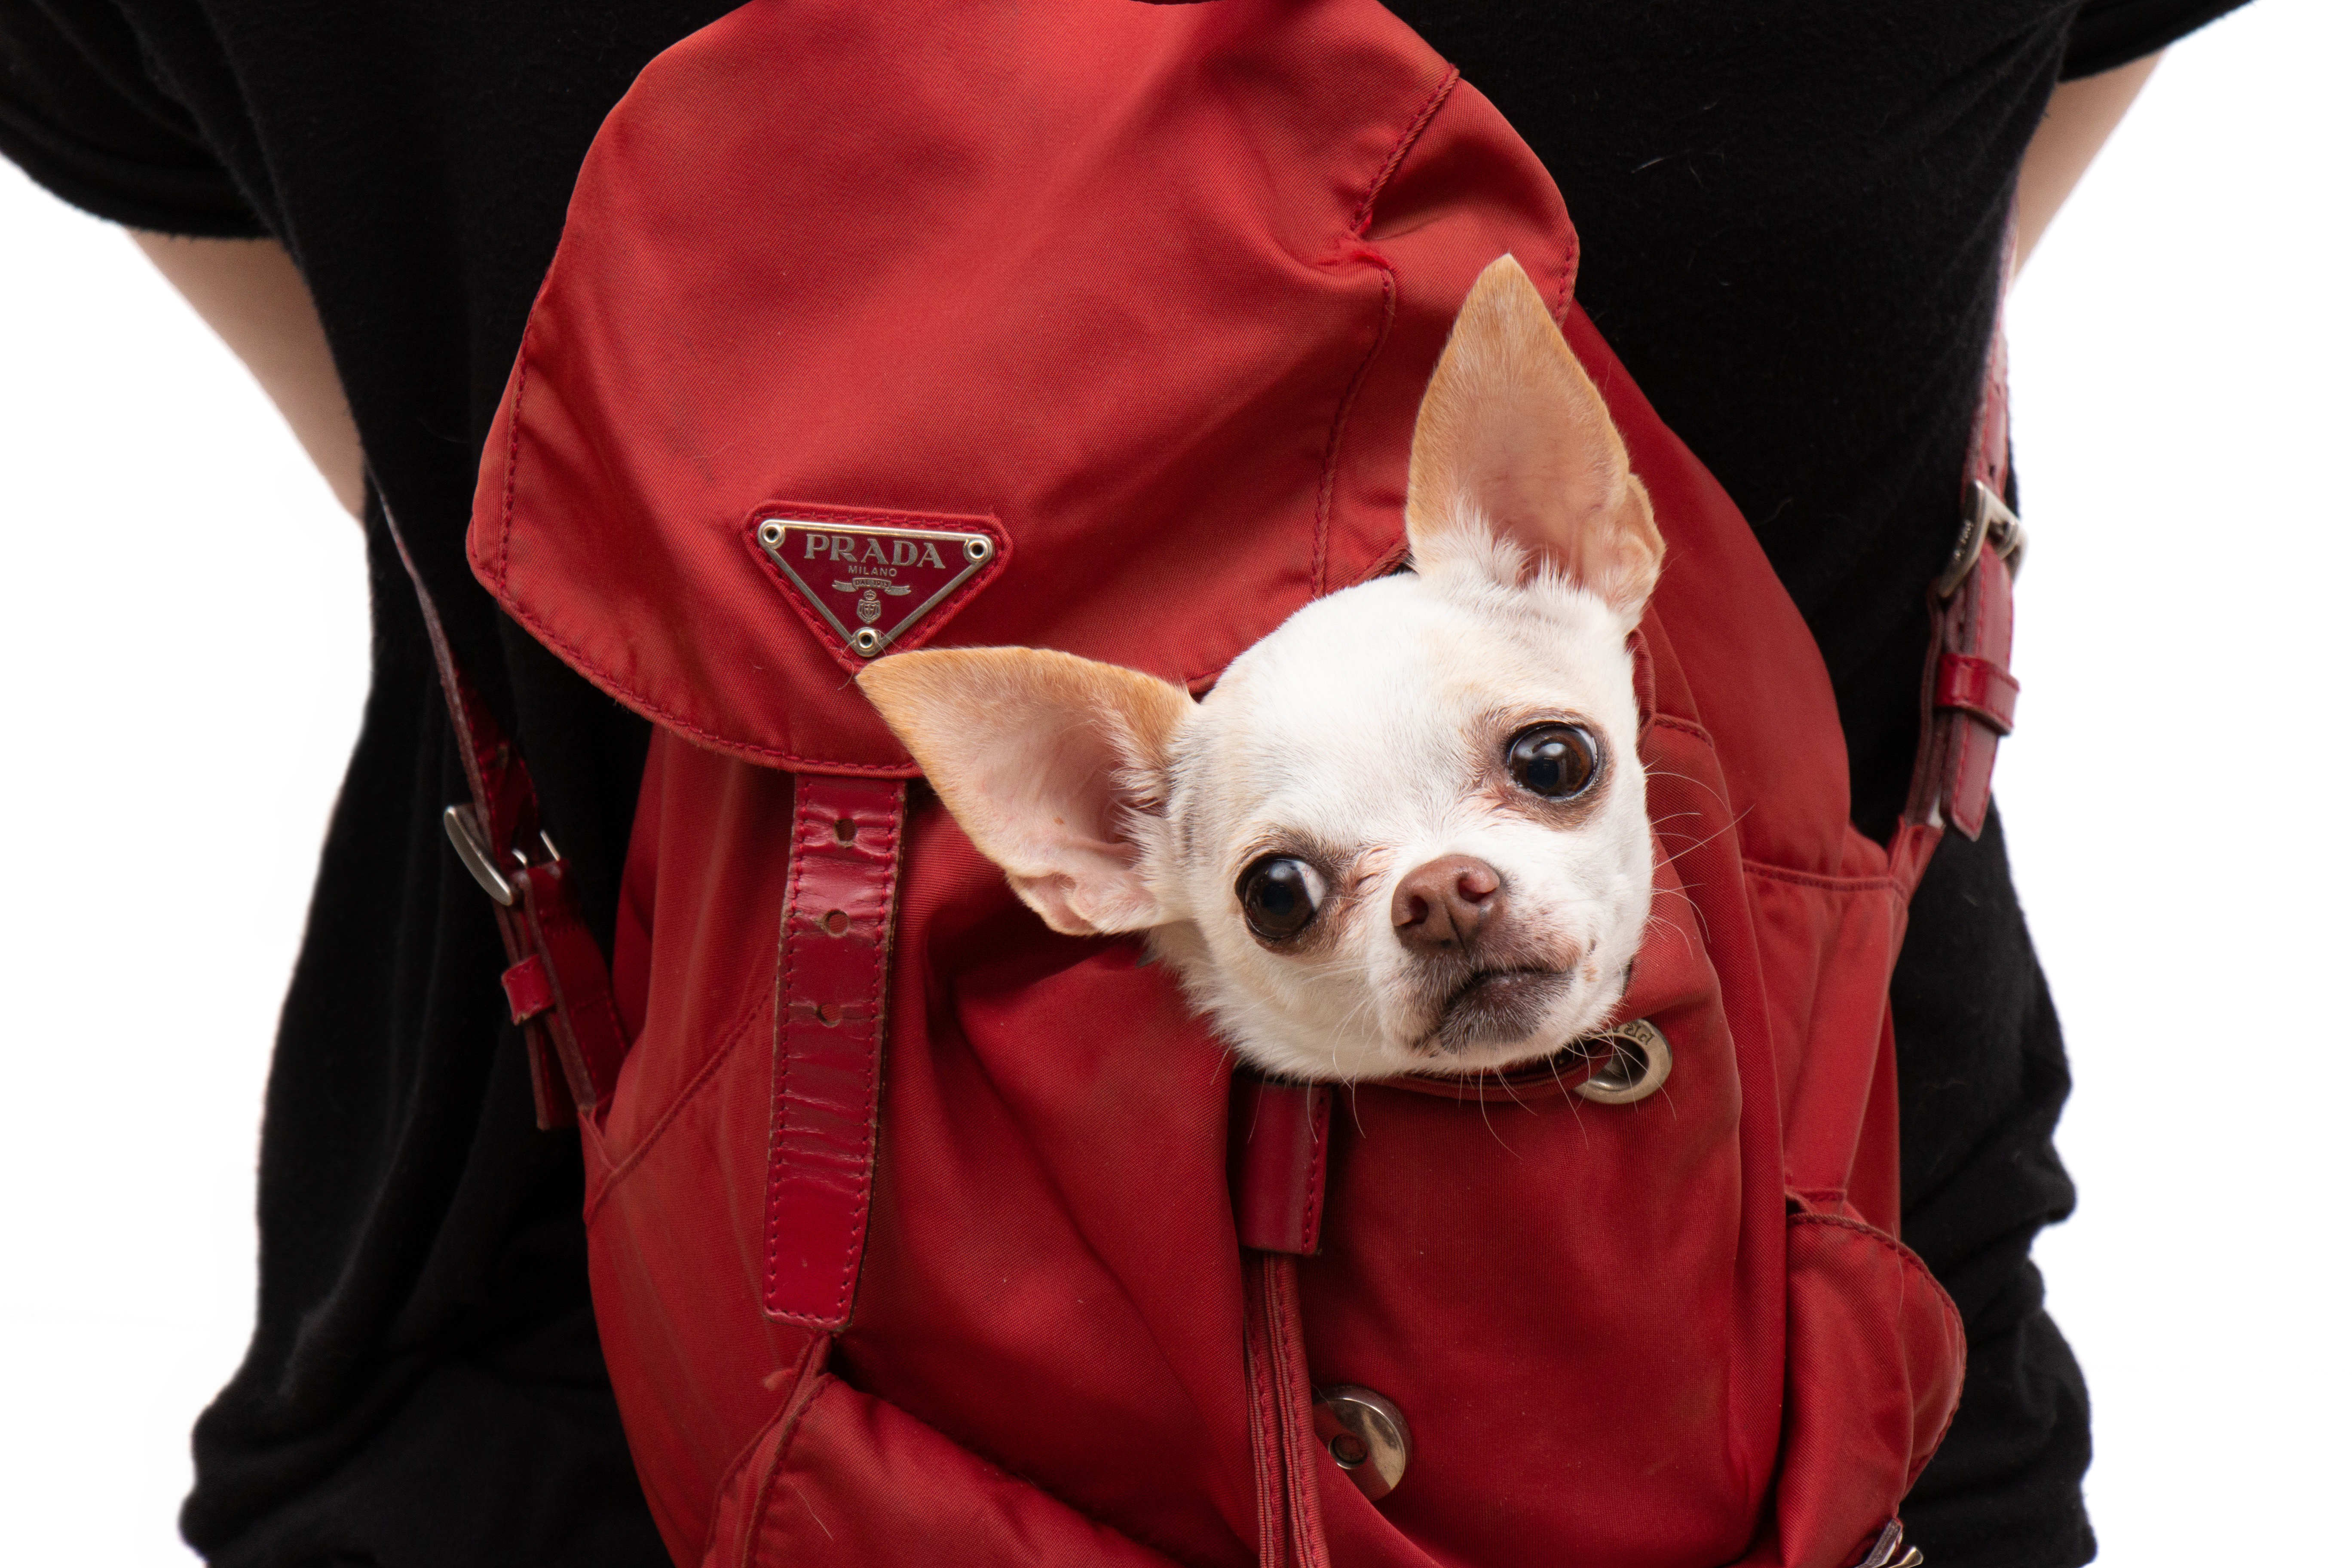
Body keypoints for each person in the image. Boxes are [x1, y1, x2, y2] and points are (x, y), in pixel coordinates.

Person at [0, 2, 2249, 1564]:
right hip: (1803, 1383)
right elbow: (1907, 305)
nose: (1450, 894)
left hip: (581, 1394)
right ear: (1092, 839)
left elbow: (469, 513)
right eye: (1303, 886)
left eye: (1539, 771)